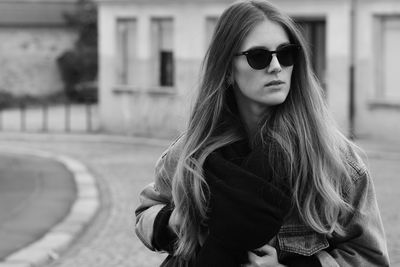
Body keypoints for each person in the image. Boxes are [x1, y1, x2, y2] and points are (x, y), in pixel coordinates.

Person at [135, 0, 390, 266]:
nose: (277, 66)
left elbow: (370, 257)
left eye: (286, 54)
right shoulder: (192, 153)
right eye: (259, 57)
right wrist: (175, 222)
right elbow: (145, 213)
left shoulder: (335, 160)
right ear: (227, 70)